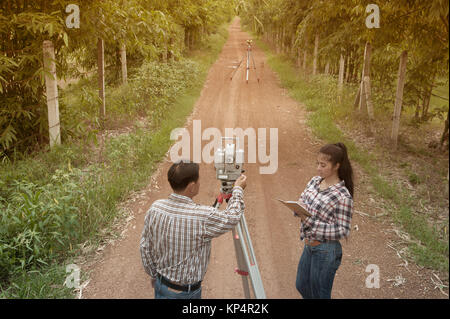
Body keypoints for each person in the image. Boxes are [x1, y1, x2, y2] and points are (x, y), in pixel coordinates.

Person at [139, 160, 247, 299]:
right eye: (198, 180)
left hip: (161, 286)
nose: (200, 183)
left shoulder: (155, 208)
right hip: (187, 294)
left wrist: (155, 275)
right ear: (191, 186)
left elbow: (145, 247)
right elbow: (232, 217)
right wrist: (237, 189)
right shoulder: (202, 216)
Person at [295, 142, 354, 299]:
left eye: (323, 165)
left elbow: (343, 230)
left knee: (320, 294)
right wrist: (298, 207)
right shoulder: (315, 181)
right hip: (309, 245)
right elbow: (303, 198)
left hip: (326, 251)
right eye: (317, 164)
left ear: (336, 166)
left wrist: (311, 223)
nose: (318, 168)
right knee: (301, 285)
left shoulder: (343, 196)